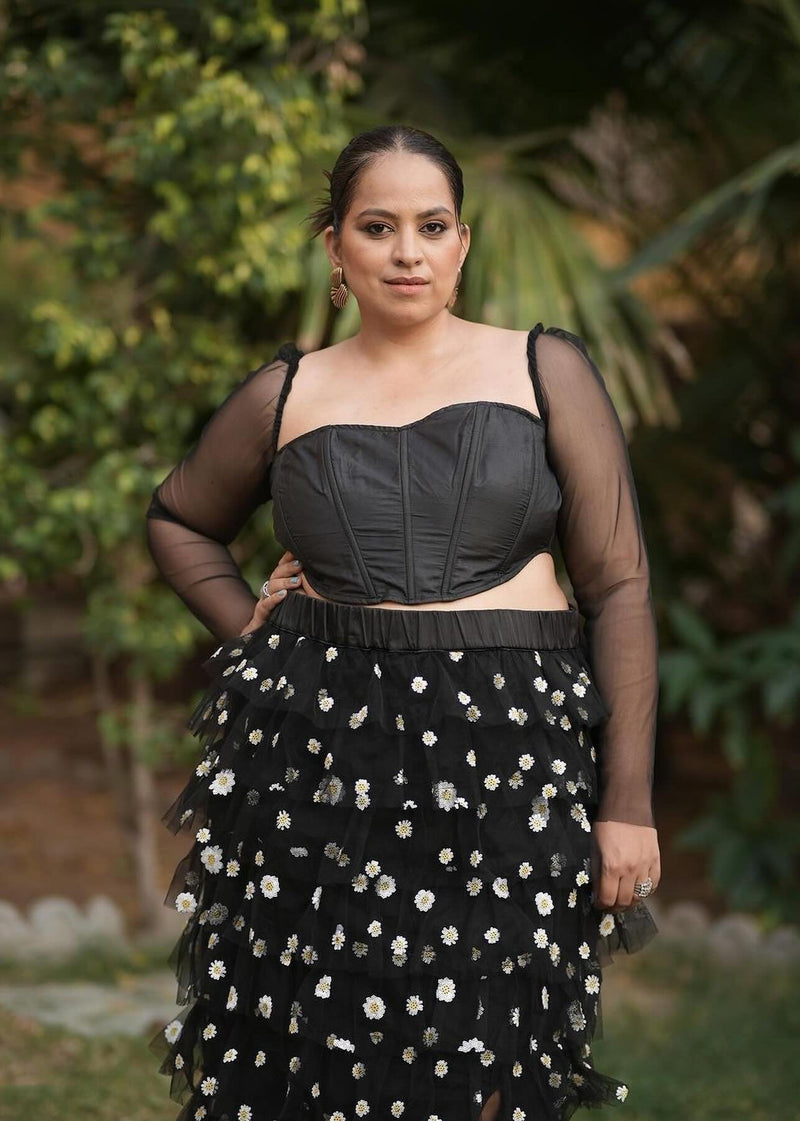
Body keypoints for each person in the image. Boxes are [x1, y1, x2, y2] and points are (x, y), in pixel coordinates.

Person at [146, 124, 660, 1121]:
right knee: (314, 1051)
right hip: (319, 760)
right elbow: (179, 520)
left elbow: (619, 585)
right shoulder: (288, 391)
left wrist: (626, 802)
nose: (406, 251)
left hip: (509, 757)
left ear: (462, 243)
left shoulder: (541, 368)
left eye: (431, 226)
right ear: (335, 247)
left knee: (491, 1051)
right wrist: (250, 632)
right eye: (377, 227)